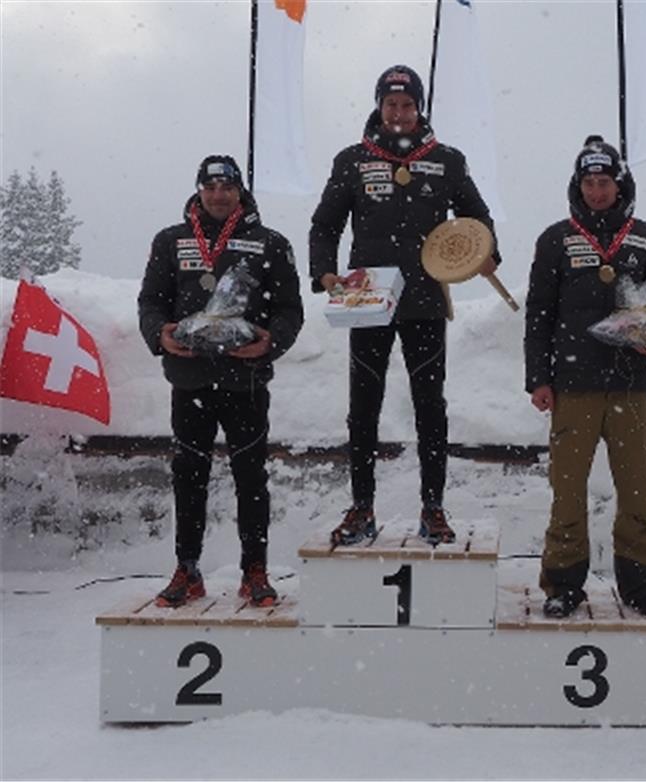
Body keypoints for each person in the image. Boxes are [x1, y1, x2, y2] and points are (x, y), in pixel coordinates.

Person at [309, 65, 502, 547]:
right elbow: (324, 225)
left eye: (408, 104)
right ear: (379, 106)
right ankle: (361, 507)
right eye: (391, 104)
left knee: (430, 405)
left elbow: (478, 217)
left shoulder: (447, 160)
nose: (399, 113)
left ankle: (433, 508)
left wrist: (485, 252)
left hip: (424, 298)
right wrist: (325, 273)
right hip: (367, 297)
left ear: (420, 108)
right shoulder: (352, 160)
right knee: (363, 406)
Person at [138, 155, 304, 608]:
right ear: (198, 190)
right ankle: (187, 569)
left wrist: (270, 343)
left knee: (251, 477)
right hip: (189, 380)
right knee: (188, 476)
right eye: (210, 187)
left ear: (239, 191)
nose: (217, 194)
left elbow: (290, 309)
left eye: (226, 187)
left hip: (244, 380)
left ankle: (255, 570)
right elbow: (151, 302)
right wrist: (161, 336)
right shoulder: (171, 241)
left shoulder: (269, 242)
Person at [524, 135, 646, 619]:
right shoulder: (555, 239)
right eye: (589, 183)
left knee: (636, 491)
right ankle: (563, 584)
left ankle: (640, 584)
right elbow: (538, 316)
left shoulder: (645, 237)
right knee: (568, 492)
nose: (596, 192)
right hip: (573, 386)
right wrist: (538, 378)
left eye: (604, 182)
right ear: (578, 185)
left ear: (619, 184)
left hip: (630, 385)